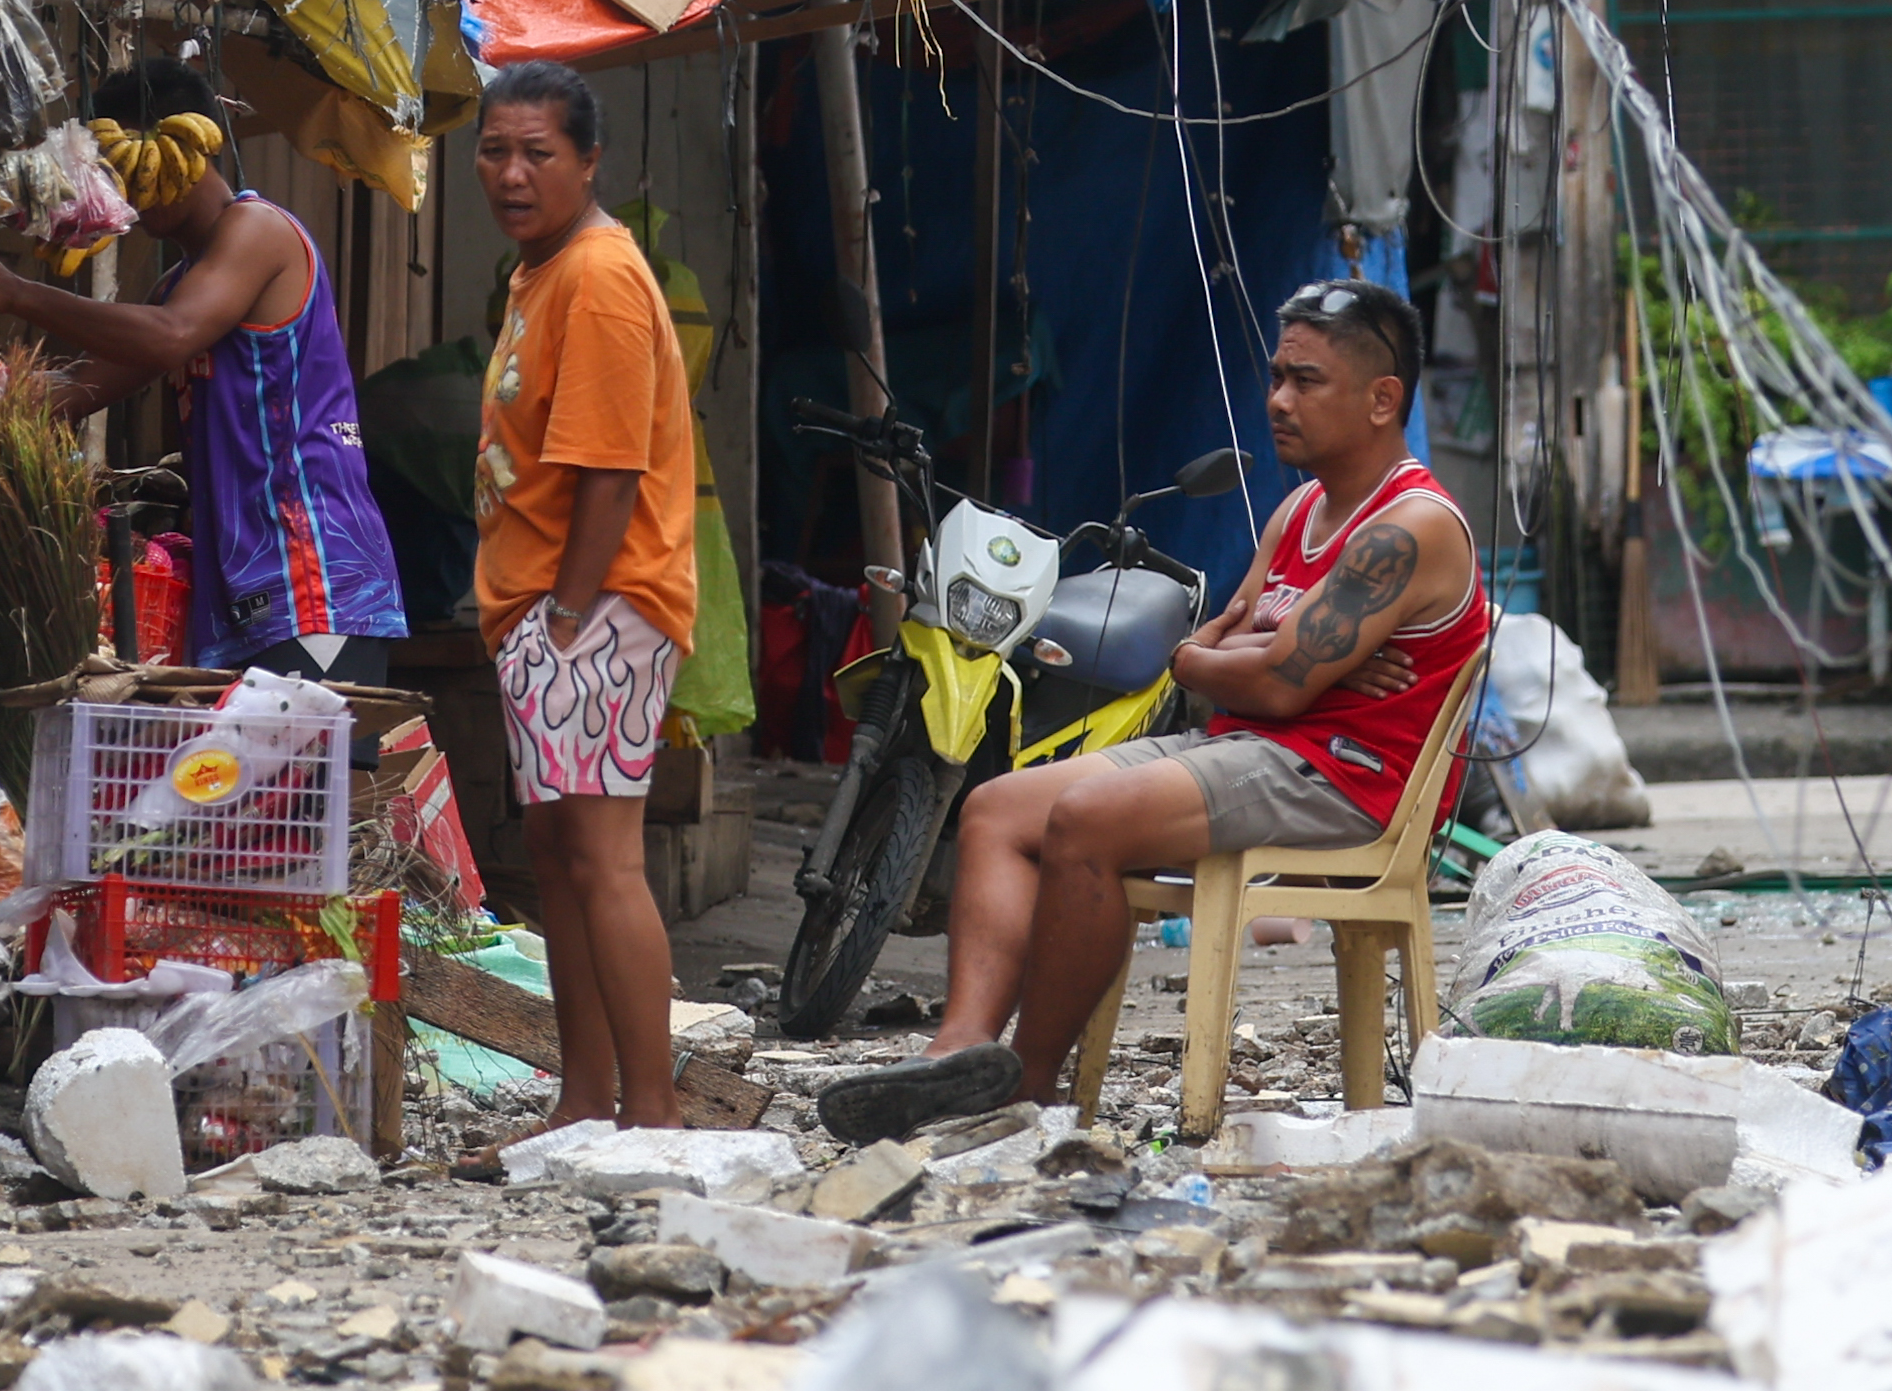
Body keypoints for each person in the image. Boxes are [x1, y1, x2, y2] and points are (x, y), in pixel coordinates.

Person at [821, 277, 1487, 1140]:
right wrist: (1243, 661)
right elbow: (1210, 653)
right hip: (1253, 746)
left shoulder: (1408, 527)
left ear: (1381, 398)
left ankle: (1032, 1084)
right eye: (1277, 375)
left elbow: (1276, 681)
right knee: (994, 810)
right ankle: (959, 1051)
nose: (1278, 399)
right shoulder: (1302, 510)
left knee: (1088, 818)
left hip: (1345, 781)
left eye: (1306, 380)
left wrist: (1264, 667)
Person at [0, 64, 407, 683]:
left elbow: (170, 337)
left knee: (302, 781)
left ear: (183, 147)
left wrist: (18, 293)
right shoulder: (179, 285)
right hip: (242, 599)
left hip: (310, 584)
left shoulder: (258, 231)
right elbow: (77, 390)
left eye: (126, 162)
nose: (123, 186)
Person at [470, 59, 699, 1130]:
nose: (511, 174)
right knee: (560, 854)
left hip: (597, 606)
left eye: (537, 154)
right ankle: (583, 1101)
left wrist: (562, 620)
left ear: (588, 162)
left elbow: (608, 474)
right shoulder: (542, 270)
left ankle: (648, 1115)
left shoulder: (600, 275)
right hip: (550, 608)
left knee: (604, 857)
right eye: (494, 150)